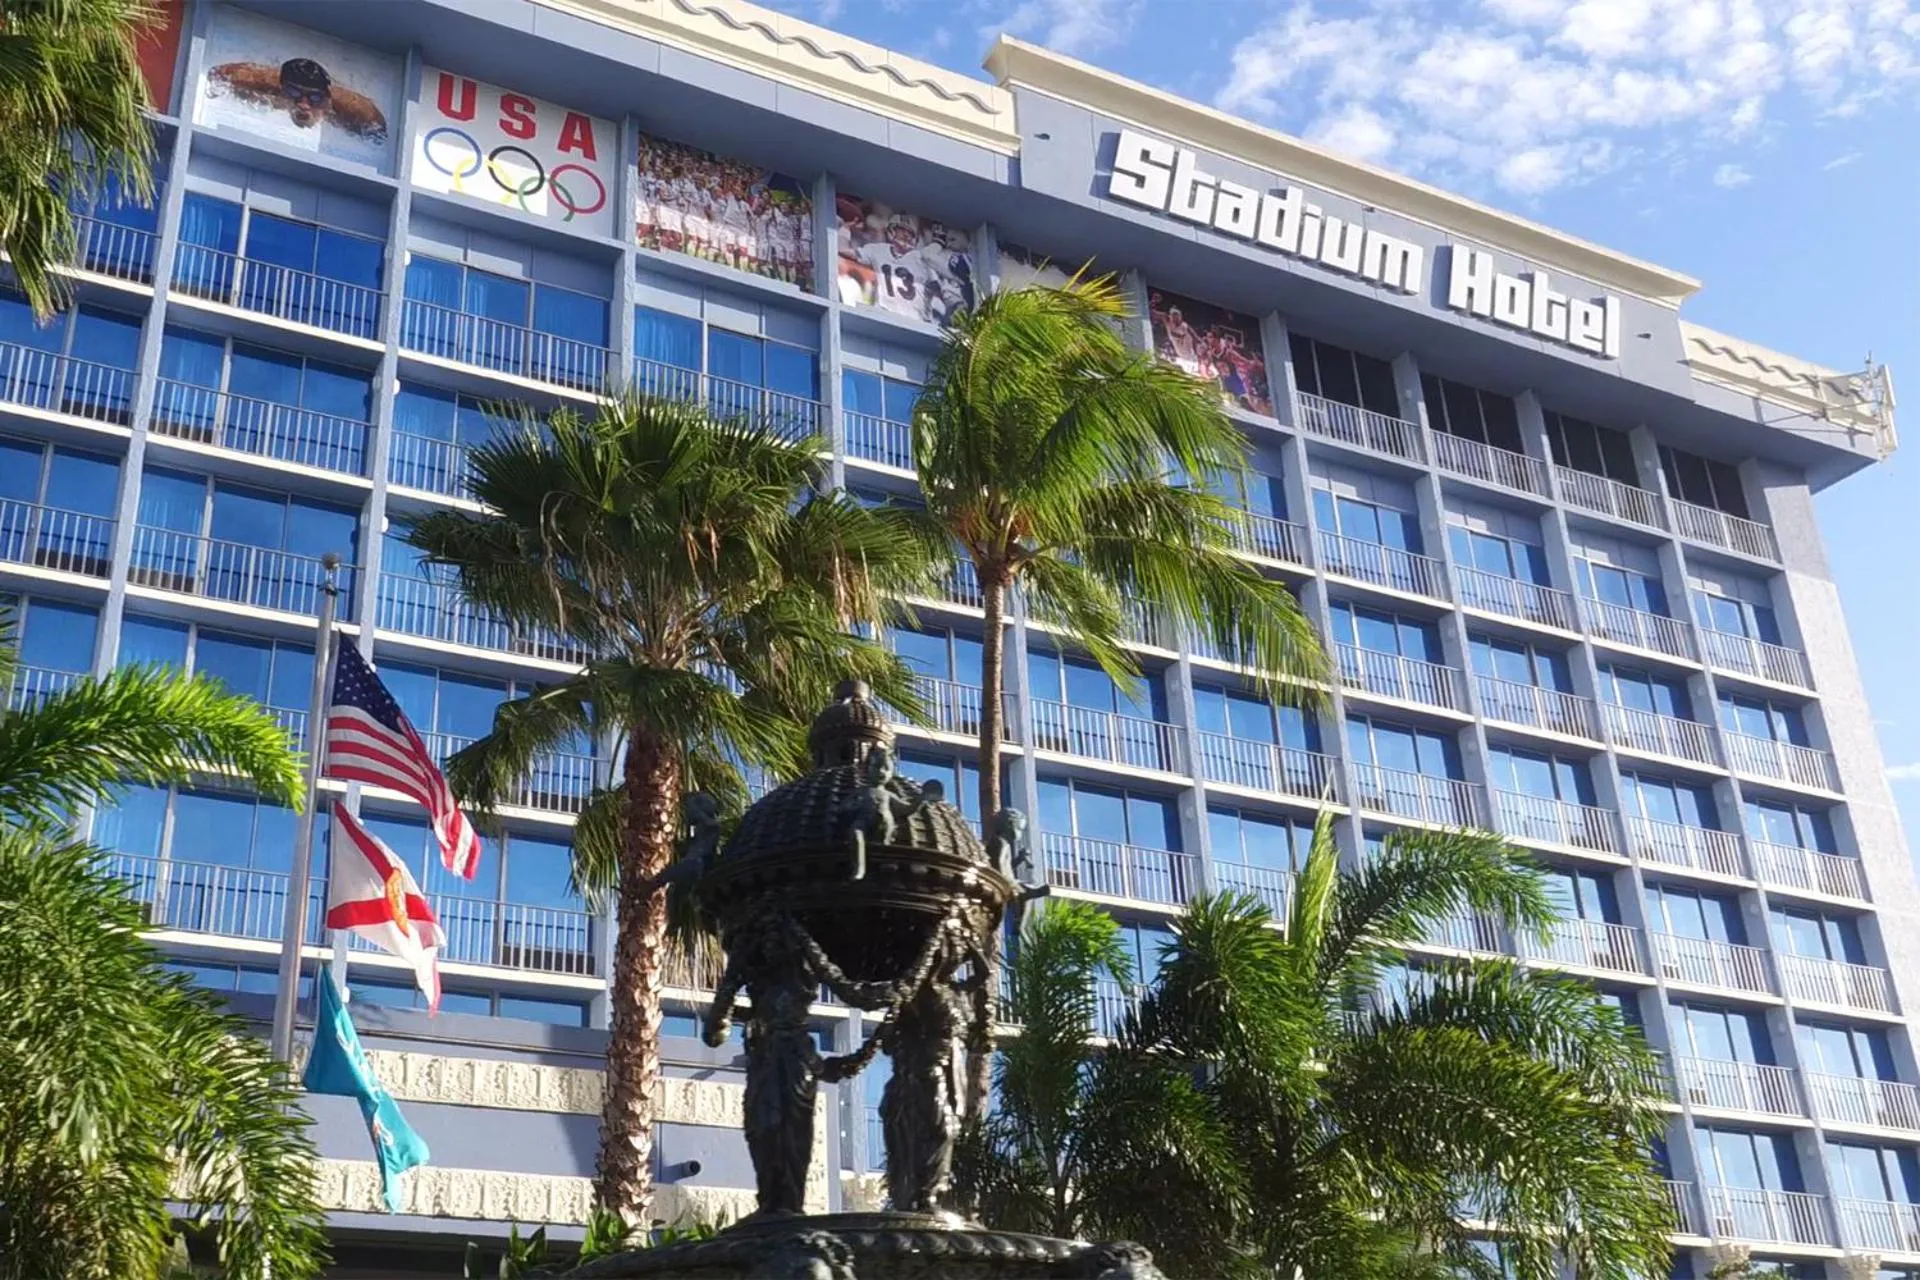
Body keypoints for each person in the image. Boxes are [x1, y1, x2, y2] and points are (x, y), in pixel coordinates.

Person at [208, 57, 388, 143]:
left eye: (314, 98)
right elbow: (219, 74)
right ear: (283, 89)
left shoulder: (351, 108)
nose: (303, 104)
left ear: (325, 98)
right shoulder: (267, 84)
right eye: (294, 93)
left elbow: (379, 134)